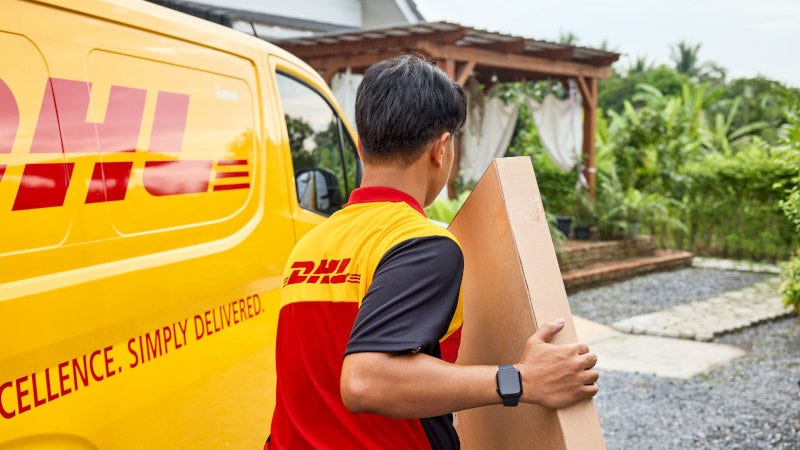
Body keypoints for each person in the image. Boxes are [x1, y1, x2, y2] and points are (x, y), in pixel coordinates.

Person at [267, 54, 599, 450]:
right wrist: (523, 379)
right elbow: (365, 380)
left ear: (361, 146)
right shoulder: (422, 244)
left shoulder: (311, 244)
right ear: (441, 149)